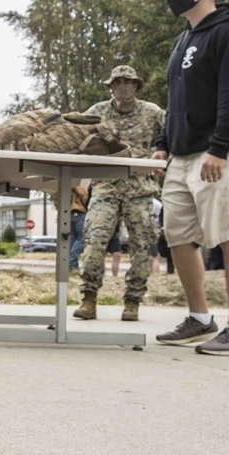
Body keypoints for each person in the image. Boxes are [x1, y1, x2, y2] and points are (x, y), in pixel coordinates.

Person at [152, 0, 229, 356]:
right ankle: (200, 318)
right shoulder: (185, 38)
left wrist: (220, 147)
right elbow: (177, 99)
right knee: (177, 235)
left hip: (221, 150)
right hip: (182, 155)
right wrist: (163, 143)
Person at [73, 65, 164, 322]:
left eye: (129, 81)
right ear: (110, 86)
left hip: (140, 188)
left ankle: (133, 301)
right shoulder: (97, 112)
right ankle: (88, 298)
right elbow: (75, 130)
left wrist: (163, 155)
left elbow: (174, 131)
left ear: (136, 86)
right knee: (95, 241)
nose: (123, 85)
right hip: (106, 186)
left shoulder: (152, 112)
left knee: (142, 246)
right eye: (118, 82)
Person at [69, 181, 91, 270]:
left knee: (72, 239)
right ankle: (72, 262)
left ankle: (70, 264)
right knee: (82, 238)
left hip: (72, 213)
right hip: (80, 212)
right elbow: (84, 196)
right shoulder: (79, 187)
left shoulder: (71, 190)